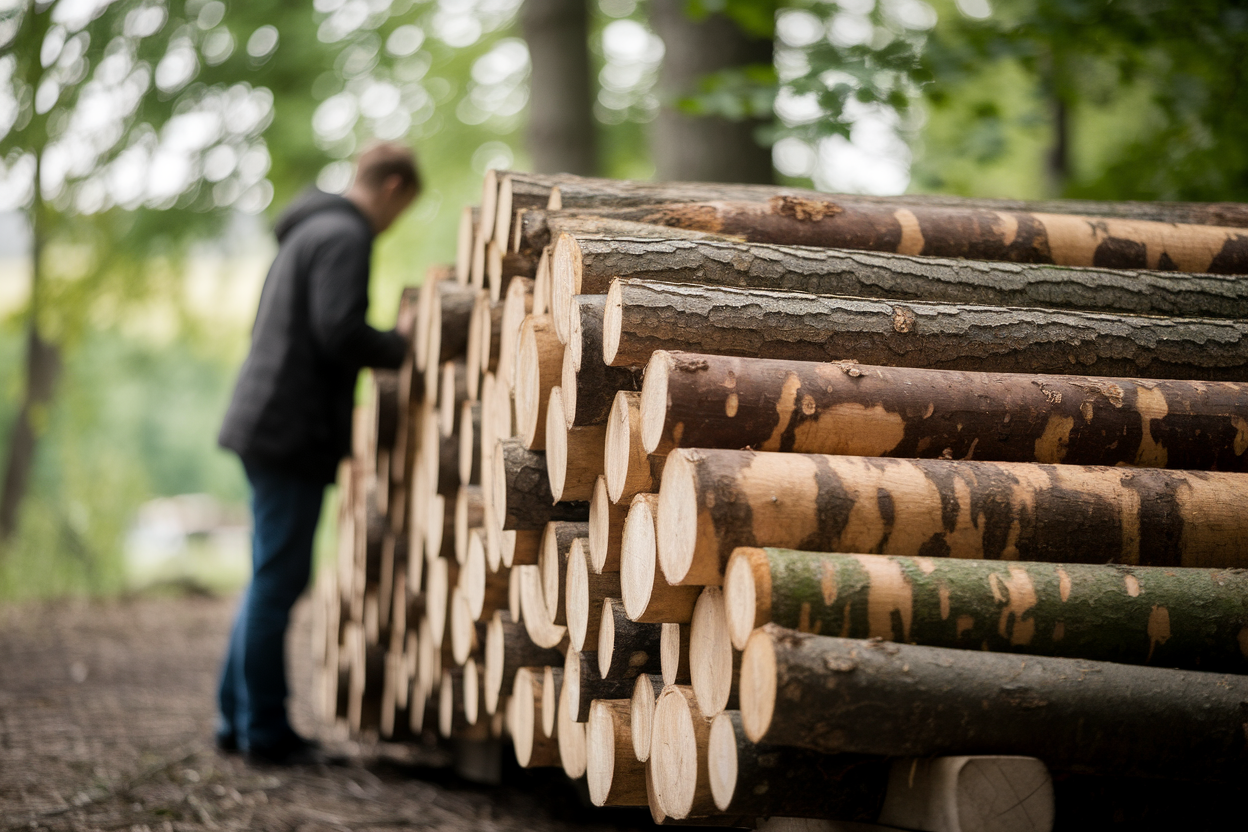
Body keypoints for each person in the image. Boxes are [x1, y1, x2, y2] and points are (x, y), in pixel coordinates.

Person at [215, 142, 420, 765]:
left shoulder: (310, 229)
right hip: (288, 432)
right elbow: (339, 331)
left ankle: (237, 721)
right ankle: (267, 735)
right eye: (401, 209)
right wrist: (401, 344)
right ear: (391, 188)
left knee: (266, 578)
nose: (394, 222)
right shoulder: (344, 235)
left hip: (268, 423)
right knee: (278, 582)